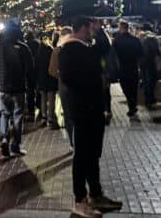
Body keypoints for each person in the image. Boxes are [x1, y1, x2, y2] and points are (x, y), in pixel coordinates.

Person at [59, 16, 122, 217]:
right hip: (83, 110)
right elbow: (71, 78)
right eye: (90, 29)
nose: (92, 33)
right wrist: (95, 80)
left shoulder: (84, 48)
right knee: (83, 155)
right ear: (81, 29)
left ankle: (96, 193)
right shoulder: (69, 50)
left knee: (93, 154)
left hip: (93, 109)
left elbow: (102, 50)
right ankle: (80, 199)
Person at [0, 22, 33, 158]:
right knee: (18, 116)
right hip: (19, 88)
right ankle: (15, 145)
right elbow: (30, 68)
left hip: (3, 89)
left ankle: (4, 138)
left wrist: (1, 80)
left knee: (4, 114)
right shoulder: (23, 47)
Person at [113, 21, 143, 119]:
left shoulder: (117, 41)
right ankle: (132, 106)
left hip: (122, 68)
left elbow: (113, 56)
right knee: (133, 88)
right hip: (133, 67)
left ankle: (131, 106)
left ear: (121, 28)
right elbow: (141, 54)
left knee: (126, 88)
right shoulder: (135, 40)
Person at [49, 26, 74, 145]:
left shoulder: (57, 51)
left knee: (68, 115)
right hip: (76, 87)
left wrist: (61, 77)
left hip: (64, 87)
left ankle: (72, 141)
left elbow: (52, 70)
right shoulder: (78, 48)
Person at [34, 35, 58, 129]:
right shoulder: (51, 53)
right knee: (51, 100)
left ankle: (44, 116)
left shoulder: (38, 55)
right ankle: (50, 119)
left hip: (41, 81)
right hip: (51, 80)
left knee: (43, 99)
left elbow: (35, 68)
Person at [140, 25, 159, 108]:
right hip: (150, 63)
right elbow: (157, 51)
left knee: (145, 82)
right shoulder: (152, 39)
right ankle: (150, 100)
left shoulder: (140, 38)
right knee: (151, 82)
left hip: (142, 63)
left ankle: (147, 99)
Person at [24, 32, 41, 123]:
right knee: (38, 90)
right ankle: (40, 107)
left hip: (29, 71)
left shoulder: (26, 45)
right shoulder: (38, 44)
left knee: (30, 91)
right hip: (37, 70)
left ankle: (31, 111)